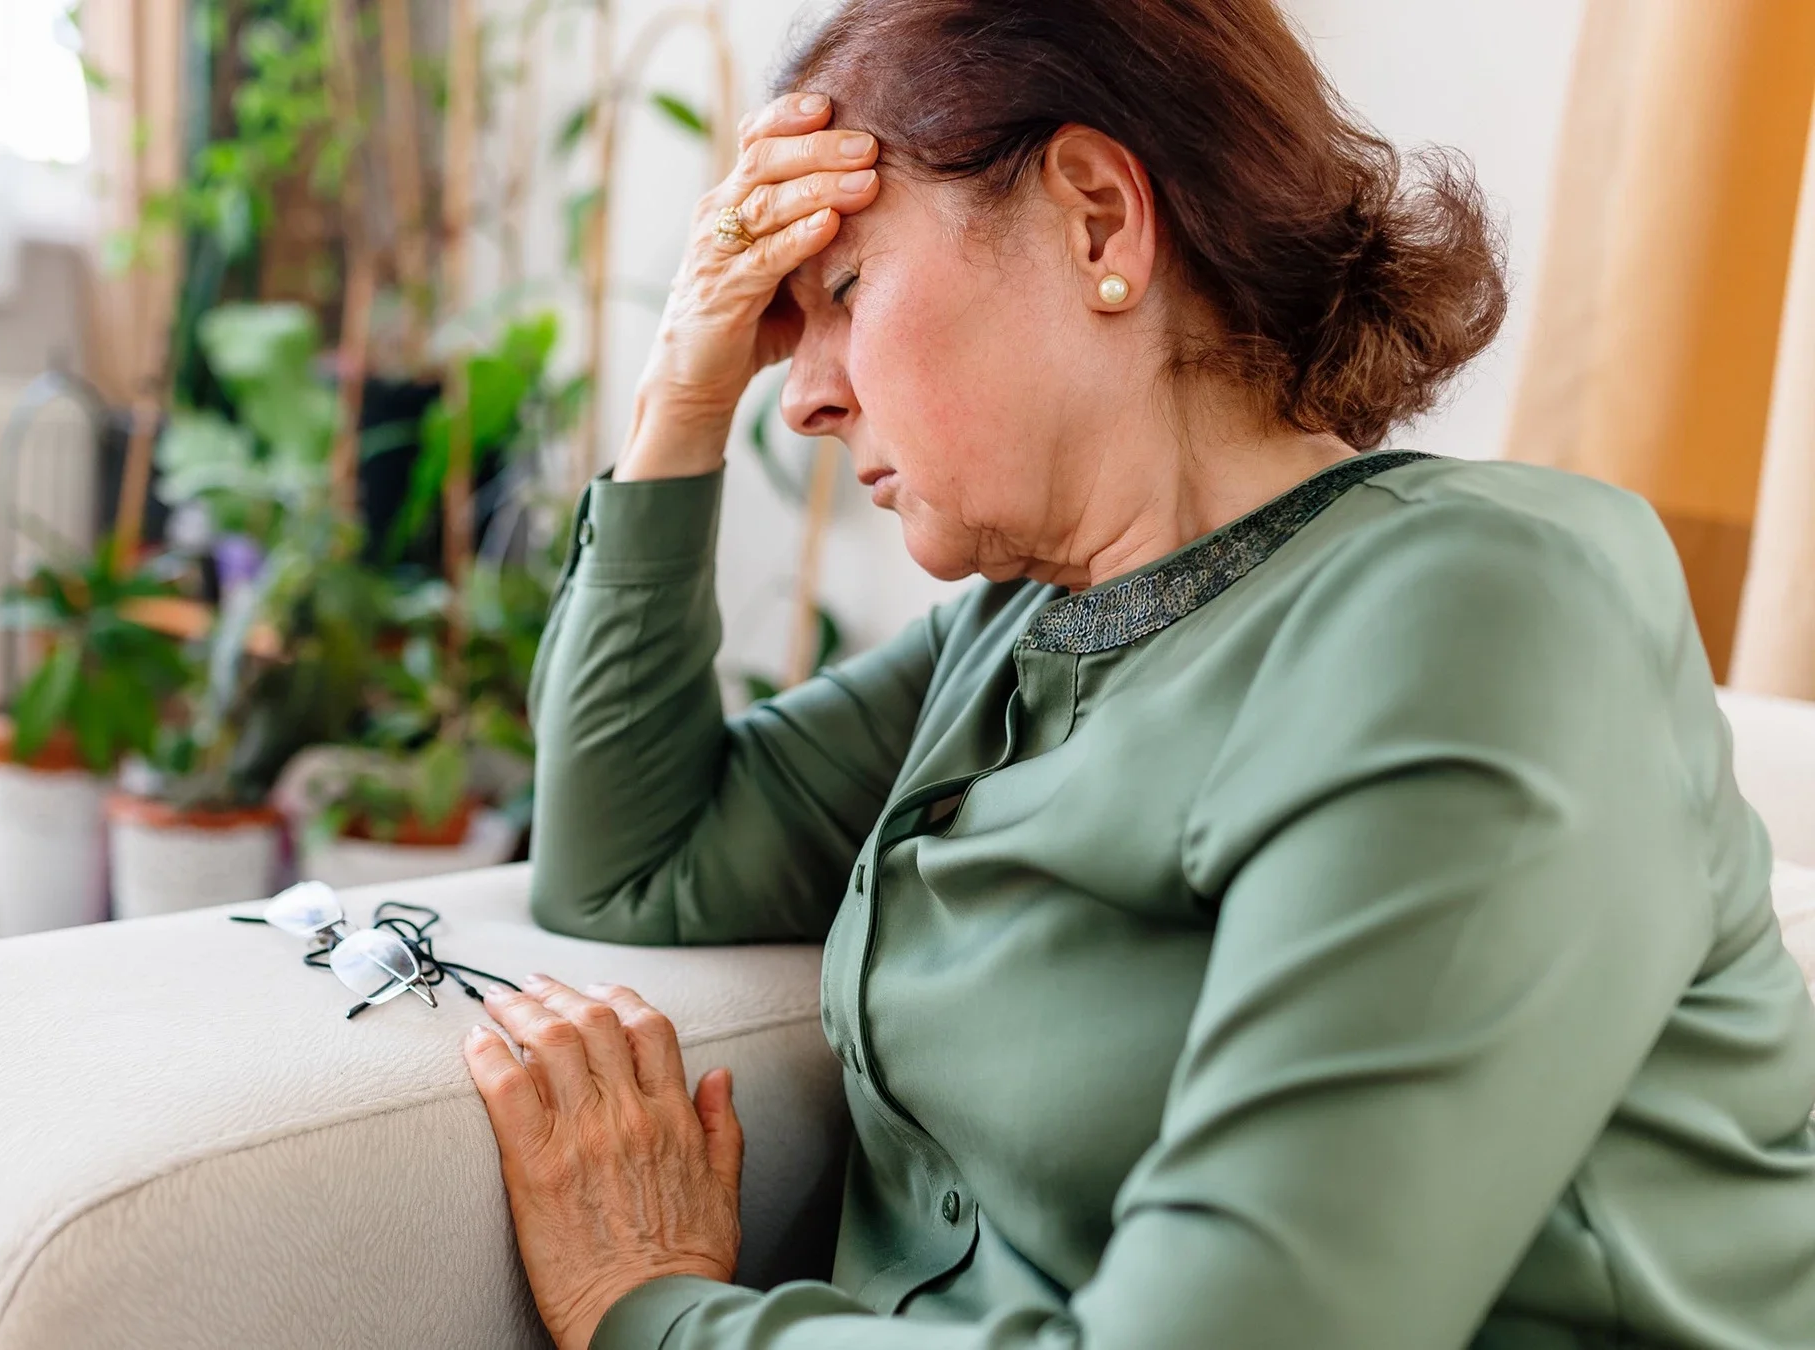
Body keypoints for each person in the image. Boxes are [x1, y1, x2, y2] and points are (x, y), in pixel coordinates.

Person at [457, 1, 1815, 1347]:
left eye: (845, 290)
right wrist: (680, 395)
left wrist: (657, 1315)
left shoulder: (1486, 618)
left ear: (1098, 220)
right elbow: (632, 861)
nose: (800, 395)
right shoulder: (1019, 629)